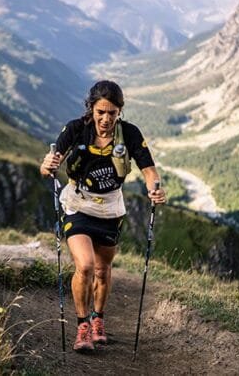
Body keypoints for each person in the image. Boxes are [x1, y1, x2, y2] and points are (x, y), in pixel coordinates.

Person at [40, 80, 166, 352]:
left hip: (110, 209)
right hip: (78, 204)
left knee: (102, 269)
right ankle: (82, 325)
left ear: (119, 111)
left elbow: (148, 169)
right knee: (84, 266)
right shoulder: (76, 128)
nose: (106, 119)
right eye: (101, 112)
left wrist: (155, 189)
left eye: (112, 113)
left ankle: (99, 319)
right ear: (91, 109)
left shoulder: (129, 133)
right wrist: (48, 164)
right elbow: (50, 162)